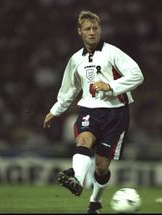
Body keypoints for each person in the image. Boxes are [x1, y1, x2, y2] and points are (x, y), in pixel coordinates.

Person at [43, 10, 144, 214]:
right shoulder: (75, 60)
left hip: (116, 113)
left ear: (100, 30)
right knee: (83, 140)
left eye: (95, 28)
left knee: (101, 167)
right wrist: (56, 109)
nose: (92, 32)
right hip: (90, 110)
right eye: (87, 29)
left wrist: (111, 86)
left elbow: (137, 75)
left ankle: (95, 203)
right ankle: (77, 180)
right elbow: (70, 88)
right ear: (79, 31)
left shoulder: (113, 53)